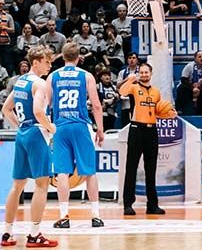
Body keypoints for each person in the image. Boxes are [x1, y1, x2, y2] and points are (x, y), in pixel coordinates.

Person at [0, 46, 58, 248]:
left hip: (23, 134)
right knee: (42, 185)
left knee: (17, 185)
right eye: (47, 61)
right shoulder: (39, 84)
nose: (50, 65)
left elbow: (6, 109)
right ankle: (34, 234)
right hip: (36, 134)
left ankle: (7, 233)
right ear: (36, 62)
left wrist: (22, 126)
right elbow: (38, 112)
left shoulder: (20, 81)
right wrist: (51, 129)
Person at [49, 42, 106, 229]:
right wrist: (100, 129)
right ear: (79, 58)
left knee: (62, 172)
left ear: (62, 57)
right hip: (81, 125)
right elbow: (97, 105)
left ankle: (64, 216)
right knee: (89, 171)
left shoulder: (53, 76)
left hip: (60, 126)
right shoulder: (86, 76)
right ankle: (95, 216)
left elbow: (46, 104)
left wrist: (47, 126)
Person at [119, 63, 176, 216]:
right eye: (141, 72)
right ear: (139, 73)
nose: (144, 75)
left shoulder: (156, 92)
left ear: (151, 73)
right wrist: (129, 80)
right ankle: (128, 204)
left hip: (152, 131)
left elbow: (159, 111)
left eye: (146, 72)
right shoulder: (133, 87)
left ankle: (152, 205)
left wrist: (169, 114)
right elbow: (121, 92)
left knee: (151, 169)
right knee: (131, 168)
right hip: (136, 129)